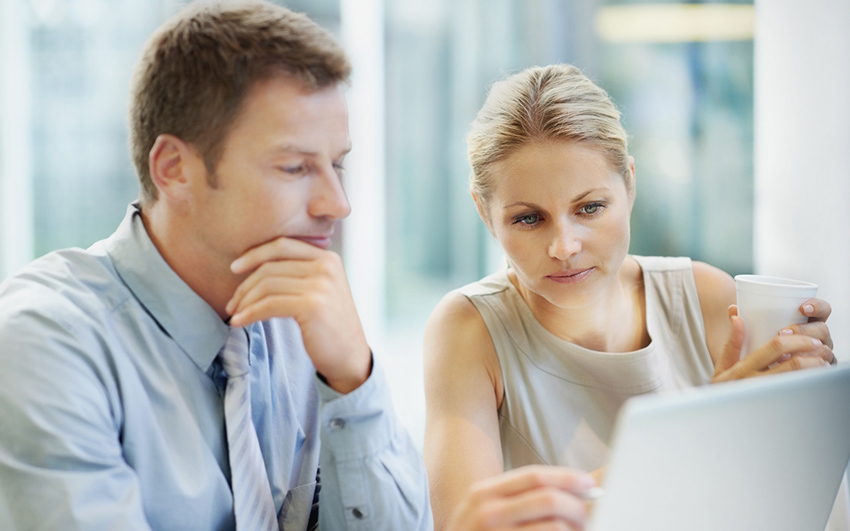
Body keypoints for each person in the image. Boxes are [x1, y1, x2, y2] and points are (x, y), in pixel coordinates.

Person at [0, 1, 431, 529]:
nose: (337, 203)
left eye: (336, 163)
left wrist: (352, 380)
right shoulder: (45, 343)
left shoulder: (305, 319)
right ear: (174, 169)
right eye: (295, 167)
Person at [423, 63, 837, 530]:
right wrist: (709, 434)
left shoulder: (706, 298)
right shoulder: (468, 329)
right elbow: (464, 526)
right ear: (484, 212)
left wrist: (808, 398)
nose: (565, 247)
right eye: (528, 219)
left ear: (631, 184)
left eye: (591, 208)